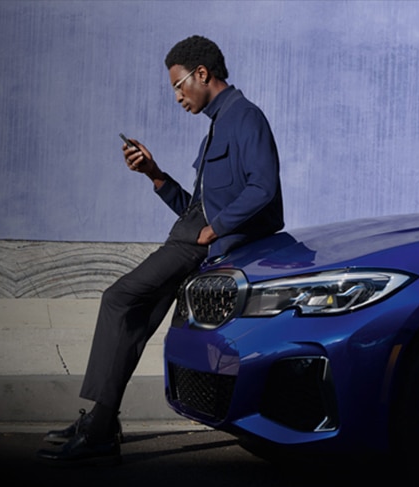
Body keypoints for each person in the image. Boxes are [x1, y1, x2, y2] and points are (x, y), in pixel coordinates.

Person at [38, 35, 283, 463]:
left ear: (202, 74)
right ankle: (101, 422)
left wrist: (215, 229)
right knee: (135, 319)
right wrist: (154, 174)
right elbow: (196, 207)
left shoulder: (246, 118)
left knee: (119, 299)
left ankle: (99, 428)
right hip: (190, 237)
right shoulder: (216, 127)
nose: (176, 96)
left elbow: (264, 188)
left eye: (178, 84)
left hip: (198, 246)